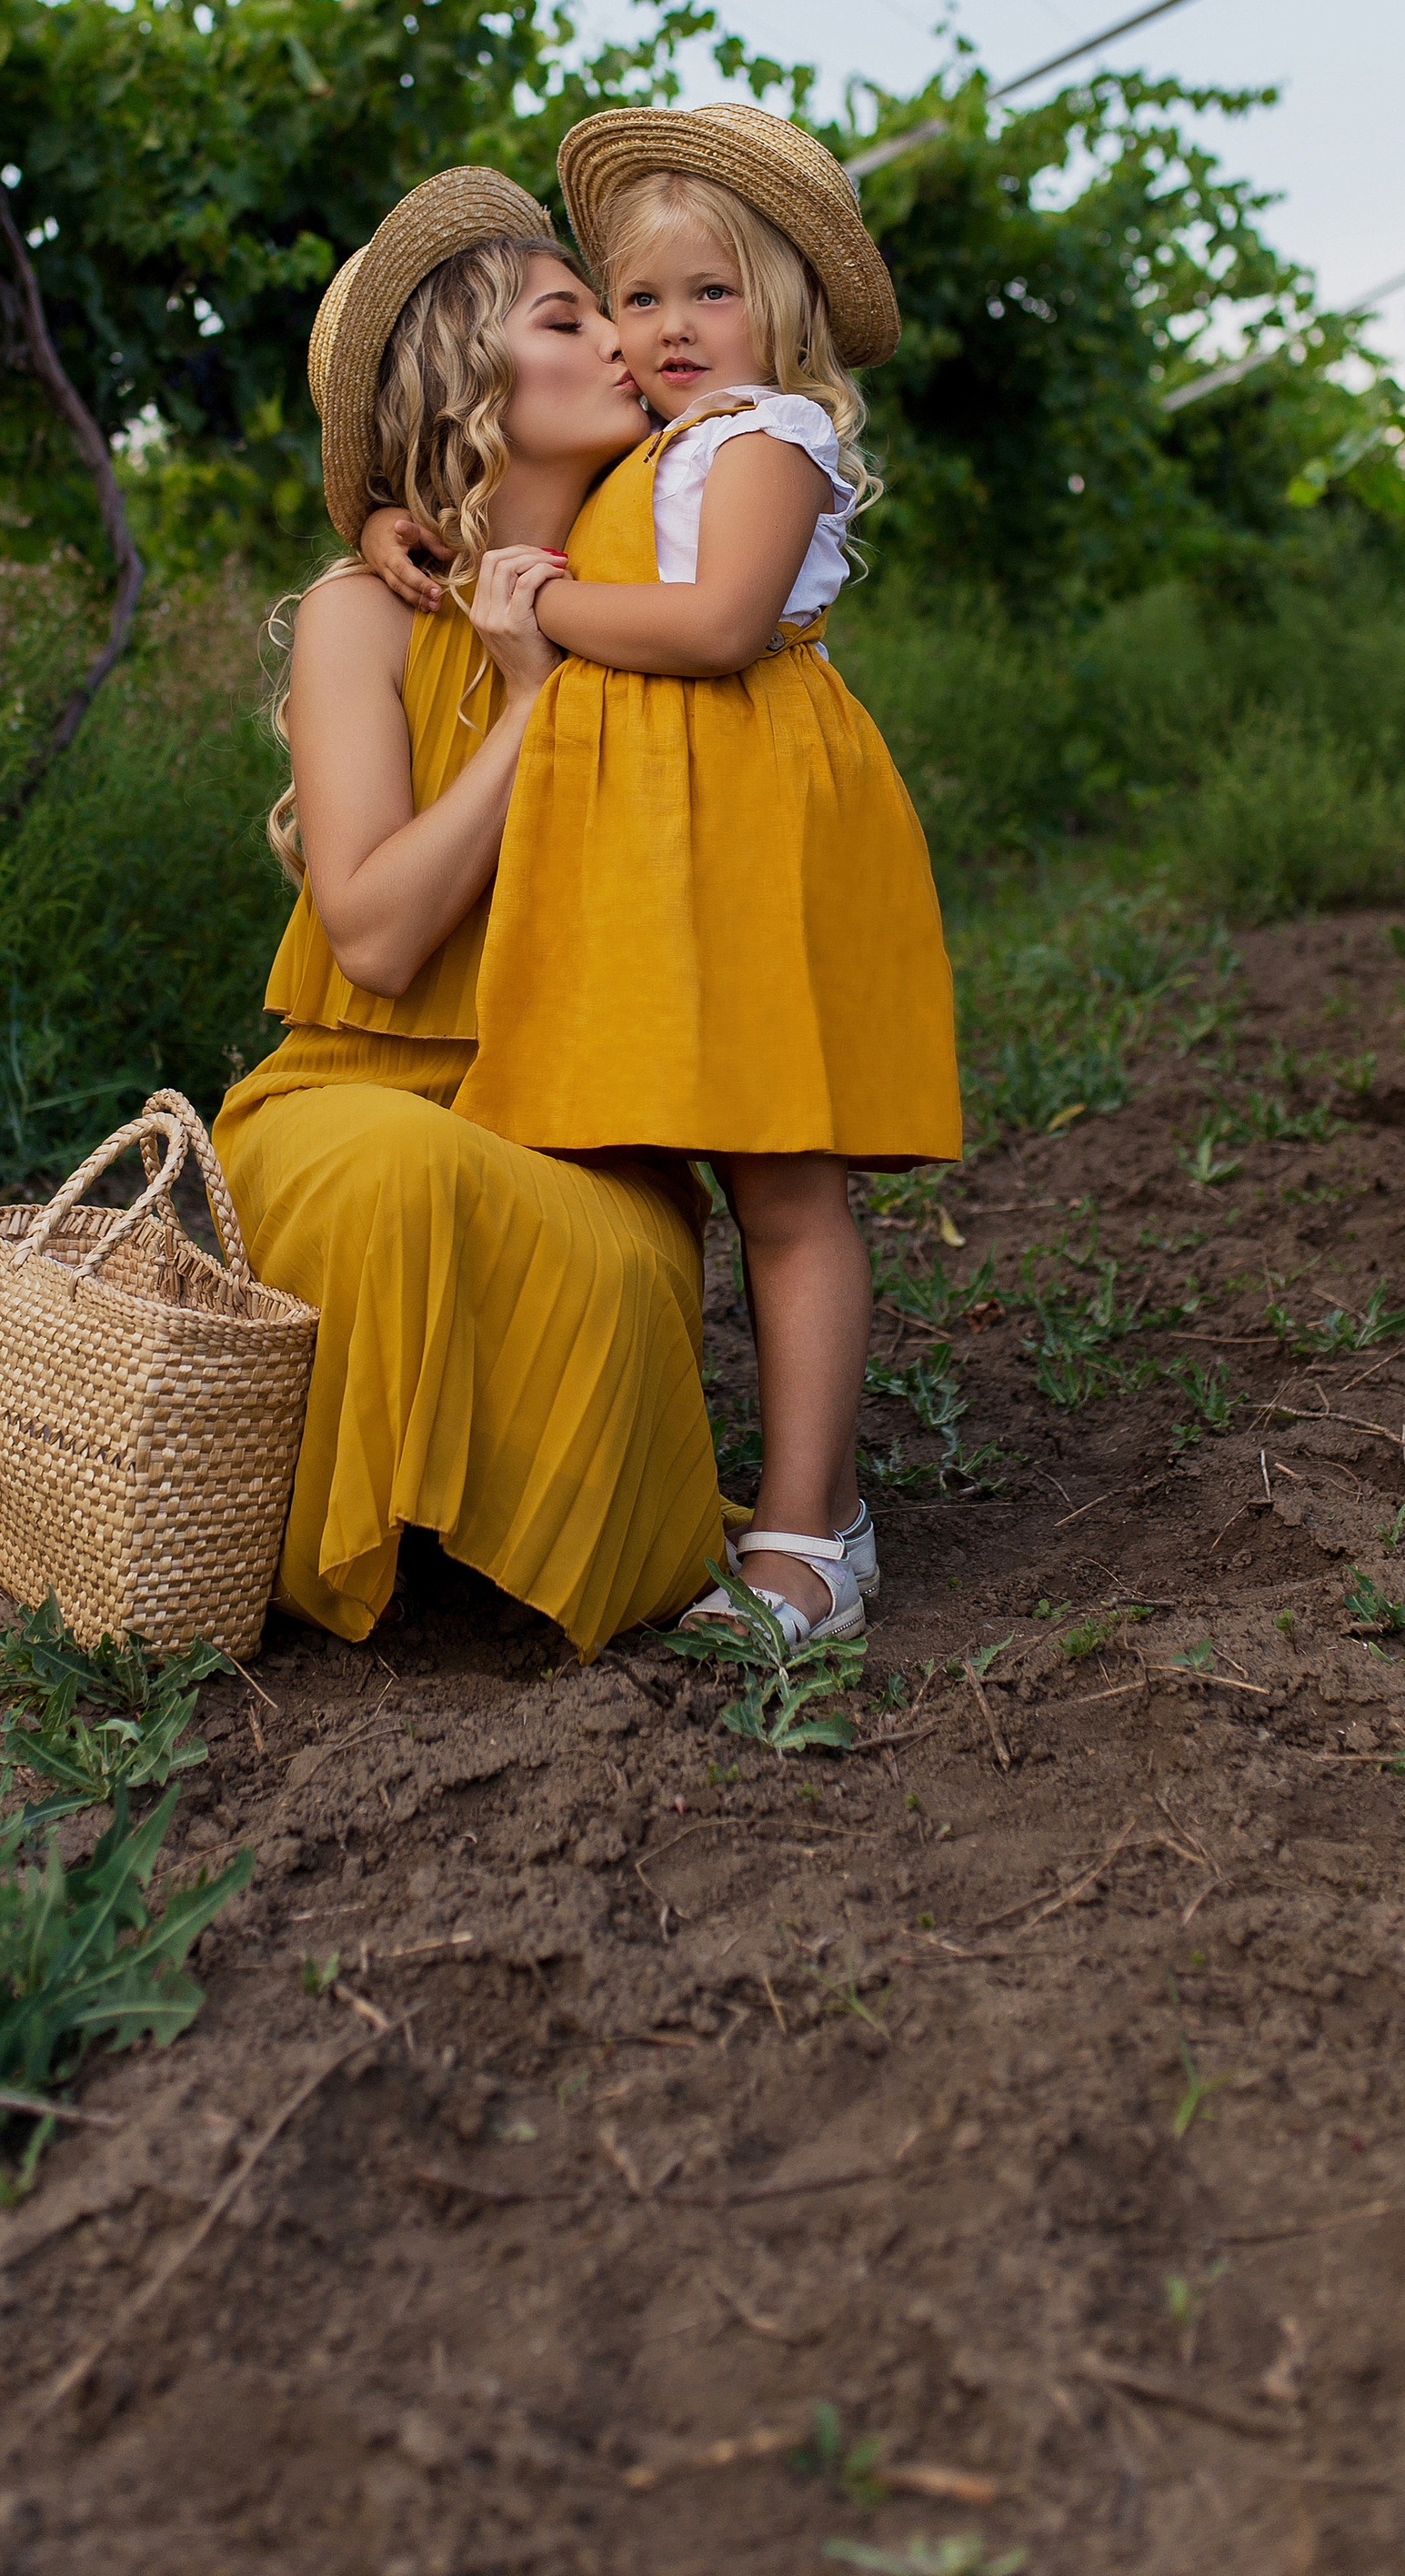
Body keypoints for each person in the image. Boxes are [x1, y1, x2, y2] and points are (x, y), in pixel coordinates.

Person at [364, 104, 958, 1653]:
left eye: (714, 293)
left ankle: (812, 1530)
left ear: (783, 311)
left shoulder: (768, 436)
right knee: (689, 1165)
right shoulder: (670, 445)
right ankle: (693, 1488)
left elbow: (711, 628)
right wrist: (389, 519)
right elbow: (495, 493)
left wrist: (548, 615)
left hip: (749, 835)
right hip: (668, 849)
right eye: (640, 298)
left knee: (782, 1179)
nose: (671, 330)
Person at [209, 166, 724, 1663]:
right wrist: (527, 704)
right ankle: (403, 1508)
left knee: (630, 1274)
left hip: (575, 1128)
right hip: (353, 1101)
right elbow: (371, 934)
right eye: (574, 316)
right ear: (463, 376)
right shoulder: (360, 615)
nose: (630, 341)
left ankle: (479, 1509)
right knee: (394, 1171)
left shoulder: (664, 585)